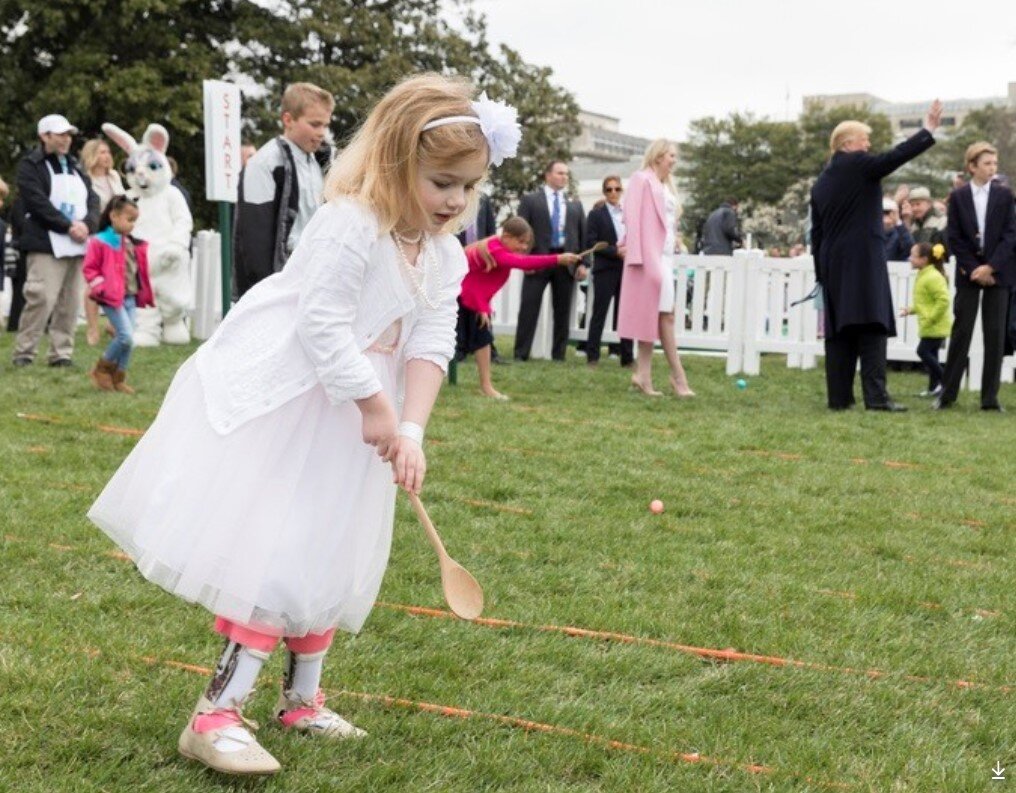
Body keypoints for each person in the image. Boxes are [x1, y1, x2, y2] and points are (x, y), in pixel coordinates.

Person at [88, 73, 519, 776]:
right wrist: (375, 408)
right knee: (279, 548)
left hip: (362, 405)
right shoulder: (350, 224)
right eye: (442, 181)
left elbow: (433, 340)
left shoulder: (441, 253)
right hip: (302, 394)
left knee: (332, 542)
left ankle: (302, 698)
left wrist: (410, 427)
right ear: (394, 161)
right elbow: (320, 325)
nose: (455, 201)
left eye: (468, 188)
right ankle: (216, 712)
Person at [809, 100, 942, 411]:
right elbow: (894, 158)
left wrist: (821, 273)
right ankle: (876, 397)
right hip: (863, 261)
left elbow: (817, 234)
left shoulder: (821, 182)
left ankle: (839, 398)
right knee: (872, 325)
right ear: (848, 144)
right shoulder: (858, 165)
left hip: (833, 264)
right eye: (864, 139)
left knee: (840, 331)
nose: (869, 145)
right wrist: (928, 130)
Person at [12, 114, 100, 367]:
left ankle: (61, 353)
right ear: (44, 136)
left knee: (69, 302)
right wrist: (67, 225)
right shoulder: (31, 165)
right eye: (60, 134)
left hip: (77, 243)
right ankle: (25, 352)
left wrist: (87, 225)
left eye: (68, 135)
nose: (66, 139)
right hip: (46, 243)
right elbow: (36, 200)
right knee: (41, 297)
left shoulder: (75, 166)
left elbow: (92, 200)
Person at [934, 141, 1016, 411]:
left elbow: (1010, 235)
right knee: (962, 331)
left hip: (998, 273)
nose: (992, 168)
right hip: (968, 273)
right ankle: (947, 394)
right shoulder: (958, 197)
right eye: (987, 163)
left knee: (995, 333)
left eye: (994, 163)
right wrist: (974, 269)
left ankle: (990, 398)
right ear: (972, 167)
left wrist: (991, 267)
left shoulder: (1005, 196)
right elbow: (954, 237)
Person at [459, 216, 579, 399]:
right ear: (506, 236)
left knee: (483, 340)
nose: (524, 247)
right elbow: (522, 263)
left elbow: (482, 281)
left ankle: (486, 385)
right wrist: (558, 258)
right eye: (521, 242)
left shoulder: (495, 246)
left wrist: (483, 306)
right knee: (473, 341)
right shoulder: (496, 251)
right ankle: (486, 386)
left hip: (472, 300)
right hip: (463, 300)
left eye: (527, 243)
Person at [233, 82, 336, 296]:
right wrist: (264, 293)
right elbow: (254, 238)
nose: (322, 133)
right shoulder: (264, 163)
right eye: (315, 124)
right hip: (278, 282)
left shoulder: (316, 162)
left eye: (325, 125)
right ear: (288, 120)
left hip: (309, 276)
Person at [617, 139, 694, 398]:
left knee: (658, 316)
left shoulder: (664, 185)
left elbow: (666, 223)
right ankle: (677, 377)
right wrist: (636, 254)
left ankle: (644, 374)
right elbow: (632, 216)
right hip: (650, 259)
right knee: (663, 316)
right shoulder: (642, 179)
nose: (674, 160)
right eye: (671, 155)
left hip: (664, 257)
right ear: (658, 155)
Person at [513, 160, 588, 361]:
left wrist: (583, 263)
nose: (564, 177)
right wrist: (523, 260)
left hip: (566, 261)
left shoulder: (575, 203)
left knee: (562, 311)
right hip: (537, 261)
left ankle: (559, 355)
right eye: (559, 173)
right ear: (548, 175)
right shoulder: (531, 201)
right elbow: (520, 231)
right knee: (529, 308)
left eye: (566, 174)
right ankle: (521, 354)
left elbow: (583, 235)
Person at [82, 195, 154, 394]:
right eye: (129, 220)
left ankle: (118, 377)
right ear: (114, 216)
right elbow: (90, 269)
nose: (132, 225)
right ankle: (101, 369)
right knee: (125, 336)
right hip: (112, 298)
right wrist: (101, 287)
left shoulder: (131, 242)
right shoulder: (100, 241)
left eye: (134, 221)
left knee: (129, 340)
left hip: (130, 297)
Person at [80, 137, 127, 346]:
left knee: (116, 282)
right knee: (94, 285)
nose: (107, 156)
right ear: (92, 156)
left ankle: (112, 323)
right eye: (101, 152)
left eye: (108, 152)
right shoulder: (85, 179)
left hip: (116, 236)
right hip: (96, 237)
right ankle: (92, 328)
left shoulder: (115, 177)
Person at [584, 176, 634, 367]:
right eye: (609, 189)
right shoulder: (596, 214)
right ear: (604, 192)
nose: (613, 192)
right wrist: (615, 251)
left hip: (627, 269)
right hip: (605, 269)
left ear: (621, 190)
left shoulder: (630, 212)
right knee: (599, 314)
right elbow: (592, 243)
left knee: (626, 314)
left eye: (617, 189)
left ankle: (627, 358)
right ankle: (593, 357)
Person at [899, 242, 951, 397]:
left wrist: (931, 318)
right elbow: (925, 302)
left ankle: (947, 382)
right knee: (932, 354)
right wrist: (911, 310)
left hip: (935, 325)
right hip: (931, 325)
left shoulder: (932, 277)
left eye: (913, 256)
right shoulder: (925, 275)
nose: (909, 258)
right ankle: (934, 388)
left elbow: (943, 300)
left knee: (922, 351)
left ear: (924, 259)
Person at [882, 197, 914, 261]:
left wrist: (897, 221)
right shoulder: (872, 233)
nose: (886, 215)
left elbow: (909, 248)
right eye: (883, 212)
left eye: (889, 212)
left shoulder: (899, 233)